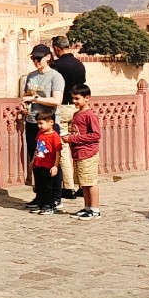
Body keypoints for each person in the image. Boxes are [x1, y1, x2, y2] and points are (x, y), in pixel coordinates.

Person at [20, 44, 65, 208]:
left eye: (38, 58)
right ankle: (40, 195)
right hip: (33, 122)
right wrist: (24, 105)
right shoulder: (31, 77)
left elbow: (57, 101)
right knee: (37, 161)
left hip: (50, 125)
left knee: (52, 160)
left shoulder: (55, 77)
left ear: (48, 57)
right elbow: (26, 96)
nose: (35, 61)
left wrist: (36, 100)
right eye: (33, 58)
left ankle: (55, 197)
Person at [50, 35, 87, 198]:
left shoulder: (57, 66)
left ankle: (68, 186)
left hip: (63, 107)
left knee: (63, 147)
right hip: (78, 108)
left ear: (57, 48)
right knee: (78, 146)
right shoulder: (80, 65)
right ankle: (81, 185)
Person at [62, 84, 101, 219]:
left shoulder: (90, 115)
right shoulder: (76, 114)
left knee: (90, 182)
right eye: (73, 98)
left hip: (88, 153)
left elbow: (96, 135)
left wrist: (74, 138)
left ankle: (95, 209)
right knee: (83, 182)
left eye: (77, 99)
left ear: (87, 98)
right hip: (78, 153)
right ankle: (87, 207)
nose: (74, 102)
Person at [29, 110, 62, 215]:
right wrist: (33, 160)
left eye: (41, 123)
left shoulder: (54, 136)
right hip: (39, 164)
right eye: (38, 123)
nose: (39, 126)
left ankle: (49, 205)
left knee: (48, 187)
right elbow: (37, 148)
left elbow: (58, 152)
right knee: (39, 186)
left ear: (51, 122)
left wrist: (55, 166)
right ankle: (41, 203)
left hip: (48, 165)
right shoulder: (40, 134)